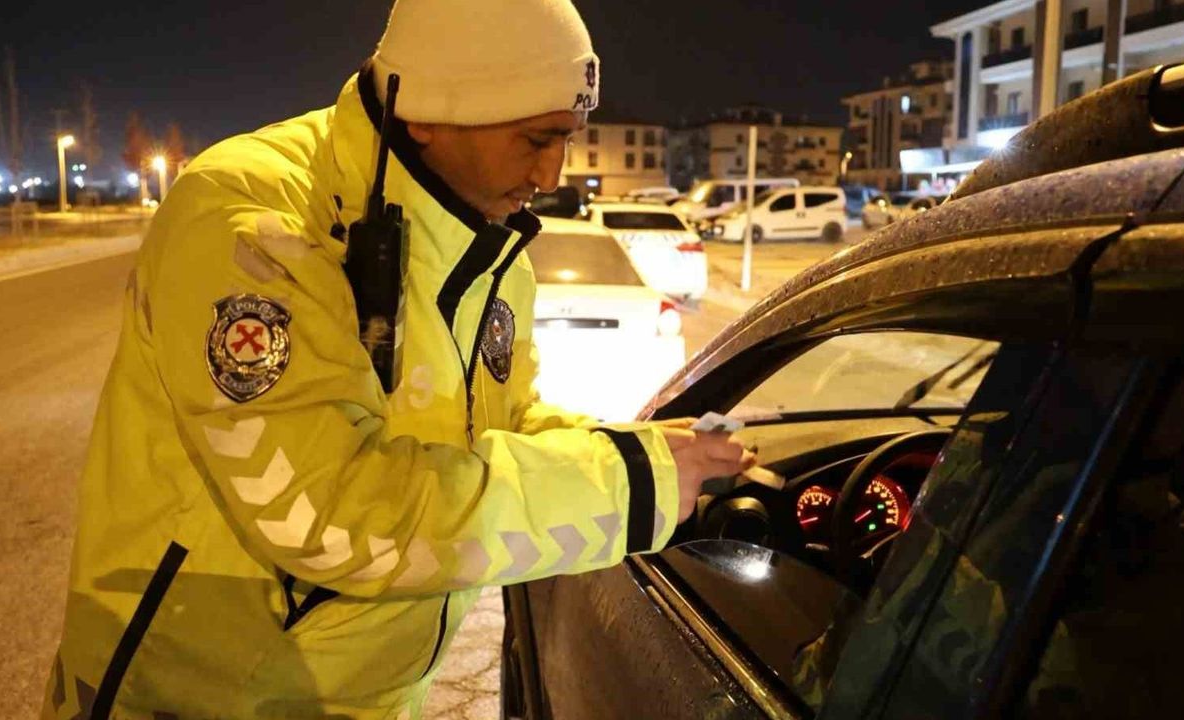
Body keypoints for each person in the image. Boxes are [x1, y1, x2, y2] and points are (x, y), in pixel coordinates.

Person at [42, 1, 753, 717]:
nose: (552, 172)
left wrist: (646, 452)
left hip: (374, 700)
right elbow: (328, 509)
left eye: (568, 137)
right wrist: (628, 484)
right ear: (426, 112)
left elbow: (502, 426)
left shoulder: (490, 240)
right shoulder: (253, 220)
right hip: (194, 698)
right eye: (536, 139)